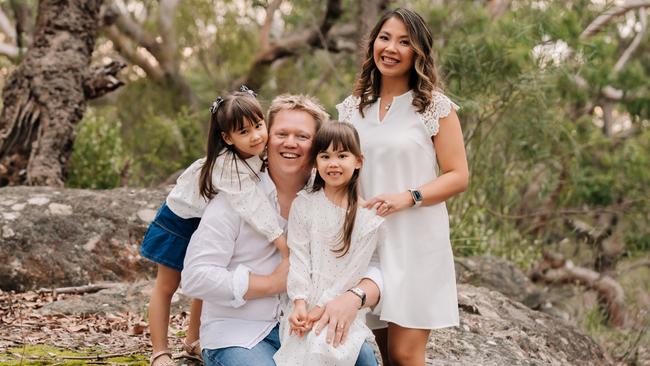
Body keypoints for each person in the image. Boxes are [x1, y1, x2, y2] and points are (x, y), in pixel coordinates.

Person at [181, 95, 381, 366]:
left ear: (316, 146)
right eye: (281, 134)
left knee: (365, 359)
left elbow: (372, 264)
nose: (290, 143)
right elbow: (194, 277)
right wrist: (271, 284)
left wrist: (354, 297)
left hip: (307, 327)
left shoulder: (333, 197)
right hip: (240, 332)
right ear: (267, 139)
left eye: (302, 136)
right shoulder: (237, 198)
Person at [337, 8, 469, 366]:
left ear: (418, 52)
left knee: (405, 354)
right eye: (385, 38)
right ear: (373, 44)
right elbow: (338, 171)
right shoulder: (350, 110)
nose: (391, 48)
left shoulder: (434, 107)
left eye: (404, 41)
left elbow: (458, 175)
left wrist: (408, 197)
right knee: (385, 355)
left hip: (416, 243)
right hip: (367, 244)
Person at [140, 87, 289, 366]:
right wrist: (282, 243)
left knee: (209, 281)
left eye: (258, 125)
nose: (256, 135)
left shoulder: (258, 152)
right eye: (244, 132)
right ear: (227, 138)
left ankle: (193, 341)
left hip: (210, 218)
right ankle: (159, 352)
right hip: (181, 220)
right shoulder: (226, 166)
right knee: (167, 286)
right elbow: (252, 206)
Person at [273, 122, 384, 366]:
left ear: (358, 161)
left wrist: (321, 309)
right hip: (302, 307)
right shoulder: (304, 204)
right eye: (325, 156)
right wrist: (300, 304)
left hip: (339, 308)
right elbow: (299, 257)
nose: (333, 163)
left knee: (337, 350)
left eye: (342, 155)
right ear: (315, 163)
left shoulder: (368, 220)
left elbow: (352, 274)